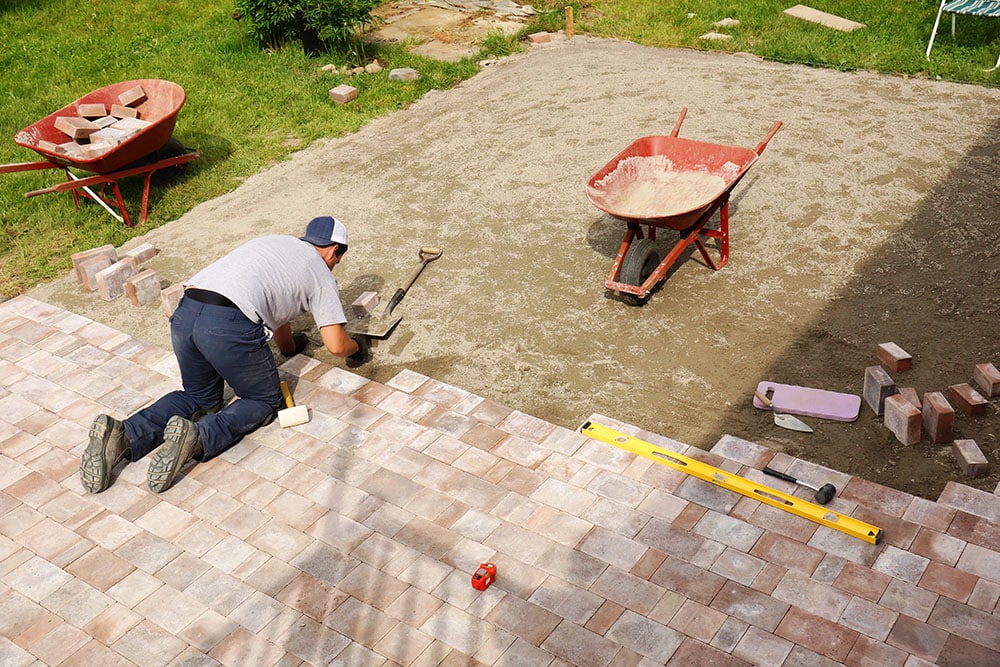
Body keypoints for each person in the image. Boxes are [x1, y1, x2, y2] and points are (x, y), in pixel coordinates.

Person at [79, 215, 370, 494]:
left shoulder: (276, 244)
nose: (334, 265)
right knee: (264, 399)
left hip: (187, 311)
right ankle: (198, 437)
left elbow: (277, 308)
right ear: (333, 250)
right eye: (337, 259)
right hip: (227, 325)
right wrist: (358, 348)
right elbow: (336, 345)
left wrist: (290, 347)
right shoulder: (320, 273)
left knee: (199, 397)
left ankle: (125, 434)